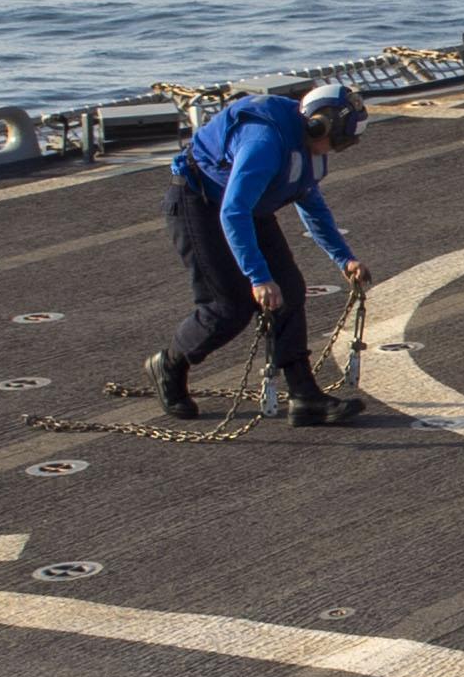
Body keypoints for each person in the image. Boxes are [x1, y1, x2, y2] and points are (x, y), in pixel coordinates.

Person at [153, 81, 369, 426]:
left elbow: (311, 204)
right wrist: (258, 277)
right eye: (339, 139)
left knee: (290, 291)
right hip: (200, 203)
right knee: (229, 306)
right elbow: (233, 212)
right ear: (319, 125)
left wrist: (345, 258)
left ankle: (304, 396)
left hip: (248, 205)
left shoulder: (308, 147)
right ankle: (169, 363)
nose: (338, 149)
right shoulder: (264, 144)